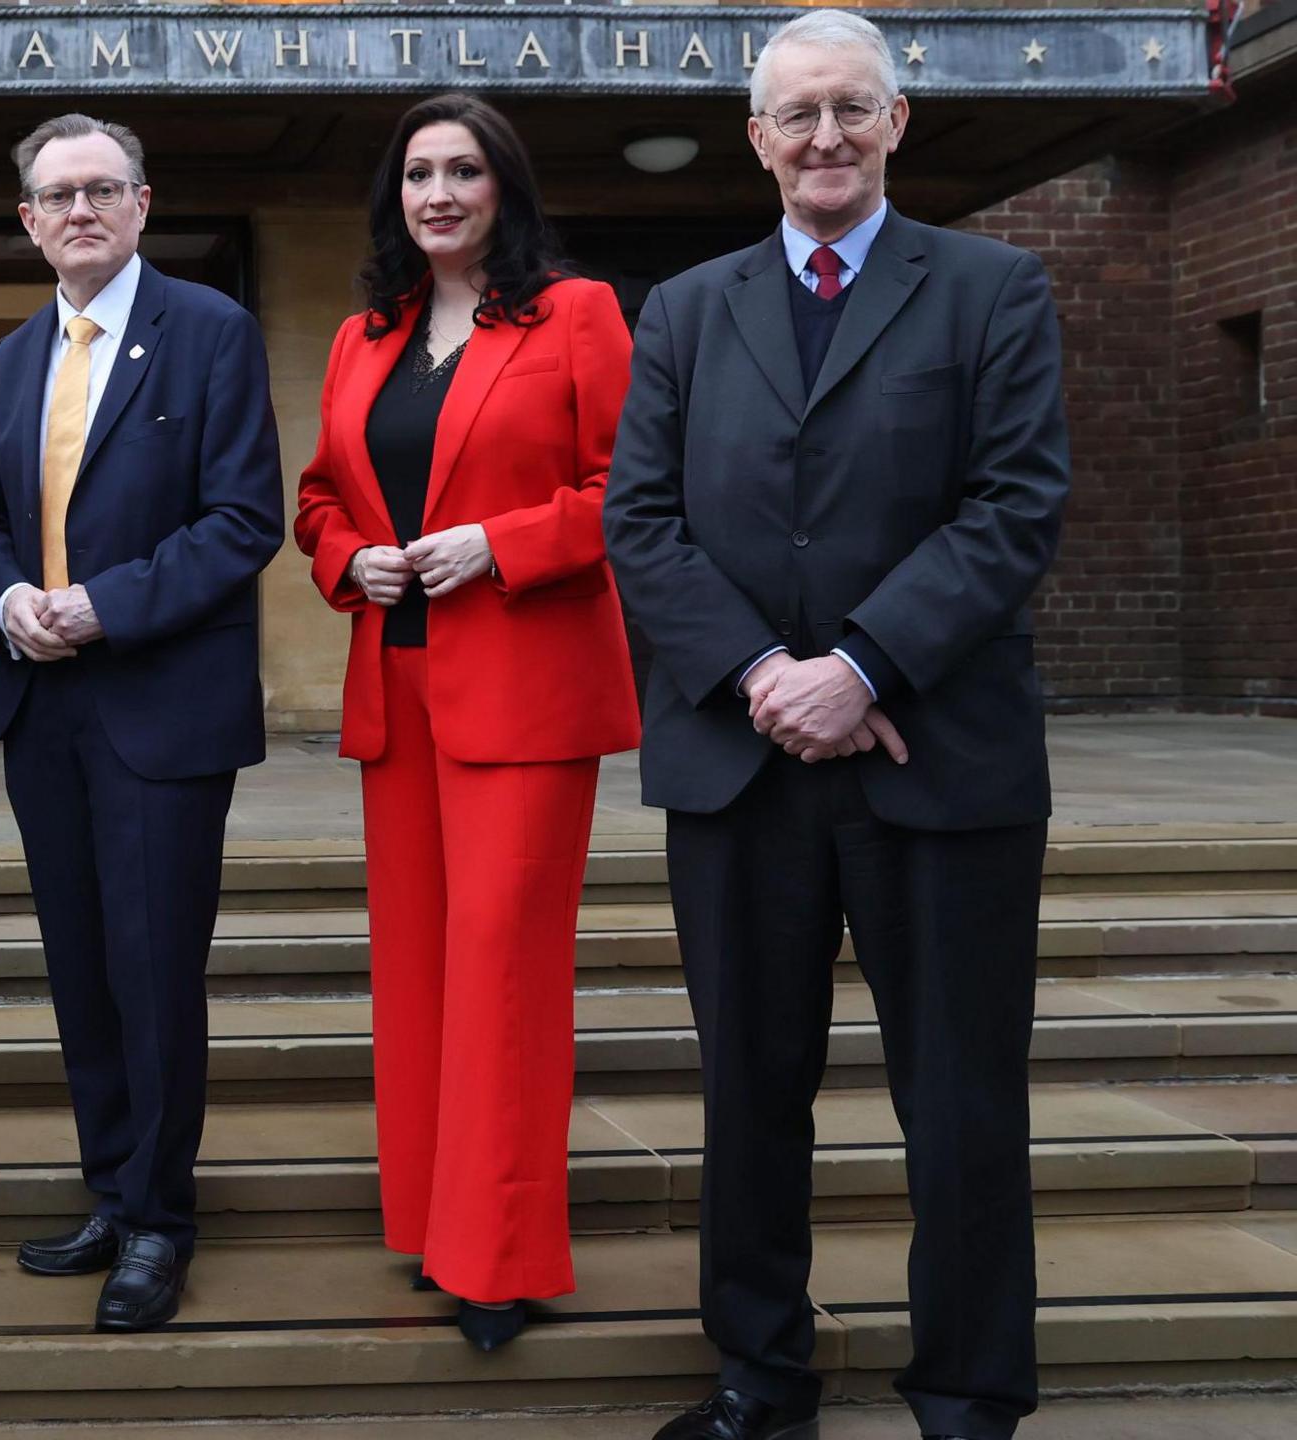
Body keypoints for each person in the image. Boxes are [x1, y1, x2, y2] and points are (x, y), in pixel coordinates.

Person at [603, 11, 1070, 1439]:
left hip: (941, 763)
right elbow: (642, 520)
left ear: (895, 124)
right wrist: (766, 673)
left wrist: (862, 666)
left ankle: (971, 1390)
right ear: (756, 138)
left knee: (964, 1102)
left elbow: (1015, 507)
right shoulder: (684, 310)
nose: (823, 137)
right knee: (751, 1094)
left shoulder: (993, 290)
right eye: (796, 114)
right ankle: (760, 1371)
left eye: (849, 110)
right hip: (743, 769)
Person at [291, 94, 639, 1352]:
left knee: (502, 972)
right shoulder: (360, 336)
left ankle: (497, 1258)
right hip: (402, 683)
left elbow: (630, 492)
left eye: (464, 171)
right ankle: (431, 1224)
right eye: (417, 173)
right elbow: (322, 495)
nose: (438, 193)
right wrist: (350, 561)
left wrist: (499, 542)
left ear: (505, 190)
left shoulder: (577, 315)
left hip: (527, 690)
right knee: (419, 971)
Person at [0, 113, 284, 1333]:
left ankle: (160, 1219)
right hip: (43, 703)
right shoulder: (10, 356)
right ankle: (111, 1187)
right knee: (81, 971)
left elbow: (245, 520)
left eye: (103, 189)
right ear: (29, 220)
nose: (80, 210)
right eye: (56, 194)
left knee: (152, 973)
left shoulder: (210, 332)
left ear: (142, 206)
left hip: (160, 704)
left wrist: (100, 606)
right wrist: (7, 599)